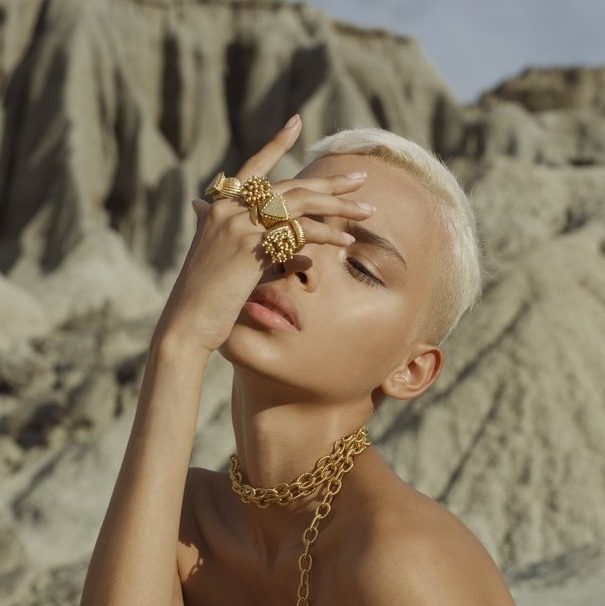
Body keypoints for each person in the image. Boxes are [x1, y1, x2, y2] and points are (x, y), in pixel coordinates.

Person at [81, 114, 516, 605]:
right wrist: (180, 341)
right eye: (287, 223)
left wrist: (182, 345)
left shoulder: (403, 564)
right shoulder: (184, 518)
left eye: (361, 267)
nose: (298, 259)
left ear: (410, 370)